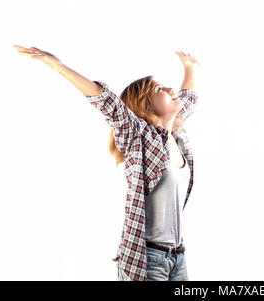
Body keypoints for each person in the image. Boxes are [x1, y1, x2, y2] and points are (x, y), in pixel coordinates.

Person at [14, 45, 200, 281]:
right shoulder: (139, 136)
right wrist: (58, 65)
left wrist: (189, 67)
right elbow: (108, 103)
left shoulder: (176, 135)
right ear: (145, 106)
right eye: (160, 89)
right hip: (147, 258)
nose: (171, 89)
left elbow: (189, 97)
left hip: (178, 257)